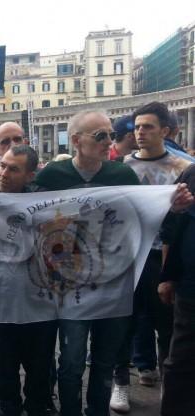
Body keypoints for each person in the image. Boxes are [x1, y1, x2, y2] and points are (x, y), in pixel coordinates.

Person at [33, 110, 192, 416]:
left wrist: (173, 208)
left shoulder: (122, 175)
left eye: (111, 133)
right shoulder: (51, 177)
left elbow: (149, 218)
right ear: (77, 141)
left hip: (114, 285)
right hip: (71, 287)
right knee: (72, 361)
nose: (111, 141)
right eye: (101, 135)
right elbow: (22, 210)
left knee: (105, 361)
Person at [110, 102, 193, 413]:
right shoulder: (121, 167)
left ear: (166, 131)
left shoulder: (182, 168)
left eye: (148, 127)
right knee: (124, 322)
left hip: (162, 256)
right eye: (137, 126)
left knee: (168, 326)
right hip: (128, 256)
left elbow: (183, 221)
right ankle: (120, 382)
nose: (140, 132)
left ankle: (169, 386)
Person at [0, 146, 58, 416]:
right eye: (3, 166)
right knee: (5, 366)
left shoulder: (46, 203)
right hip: (0, 300)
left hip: (40, 304)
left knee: (40, 367)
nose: (4, 173)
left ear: (31, 175)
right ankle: (8, 408)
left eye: (13, 169)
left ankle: (37, 406)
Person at [159, 163, 195, 416]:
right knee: (181, 362)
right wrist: (168, 277)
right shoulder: (192, 174)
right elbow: (173, 228)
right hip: (191, 288)